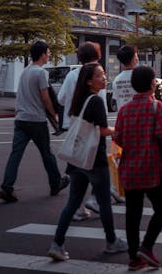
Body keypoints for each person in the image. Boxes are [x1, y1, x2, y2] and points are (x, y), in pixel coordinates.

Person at [48, 62, 128, 261]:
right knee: (103, 202)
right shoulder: (95, 101)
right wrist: (117, 131)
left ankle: (57, 243)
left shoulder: (78, 99)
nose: (104, 78)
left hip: (77, 160)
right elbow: (101, 131)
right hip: (94, 159)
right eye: (100, 75)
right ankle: (111, 241)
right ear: (90, 81)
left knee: (73, 202)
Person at [113, 65, 162, 271]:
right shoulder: (156, 107)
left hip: (129, 169)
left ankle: (133, 257)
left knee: (133, 213)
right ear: (151, 84)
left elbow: (117, 138)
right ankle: (146, 246)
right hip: (151, 169)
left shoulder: (124, 110)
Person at [0, 40, 70, 203]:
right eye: (48, 52)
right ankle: (55, 183)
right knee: (47, 154)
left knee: (15, 155)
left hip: (21, 119)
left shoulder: (25, 71)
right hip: (36, 120)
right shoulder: (41, 73)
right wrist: (54, 114)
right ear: (43, 54)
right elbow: (45, 97)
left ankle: (6, 187)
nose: (49, 55)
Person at [57, 42, 109, 221]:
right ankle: (95, 199)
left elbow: (61, 99)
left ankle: (78, 205)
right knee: (96, 163)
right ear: (98, 55)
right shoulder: (97, 74)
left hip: (74, 124)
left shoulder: (72, 74)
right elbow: (100, 102)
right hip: (93, 126)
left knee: (78, 163)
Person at [111, 45, 139, 112]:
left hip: (123, 118)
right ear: (134, 58)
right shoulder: (141, 76)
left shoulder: (116, 80)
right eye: (136, 55)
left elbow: (117, 99)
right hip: (140, 117)